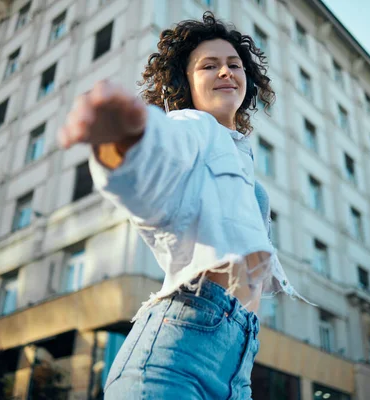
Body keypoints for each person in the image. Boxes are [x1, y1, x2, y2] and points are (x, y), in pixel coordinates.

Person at [58, 11, 301, 399]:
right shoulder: (191, 126)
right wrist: (124, 136)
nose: (225, 72)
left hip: (237, 365)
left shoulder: (243, 160)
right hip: (177, 352)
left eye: (234, 65)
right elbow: (156, 160)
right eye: (209, 65)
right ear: (185, 83)